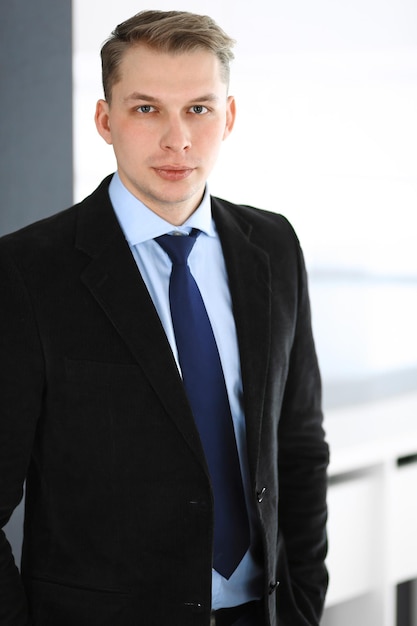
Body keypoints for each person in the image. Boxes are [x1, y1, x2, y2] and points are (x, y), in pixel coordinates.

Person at [0, 9, 329, 626]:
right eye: (146, 109)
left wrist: (303, 604)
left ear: (228, 117)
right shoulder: (26, 272)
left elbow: (299, 445)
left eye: (199, 109)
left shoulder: (274, 245)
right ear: (106, 120)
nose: (177, 139)